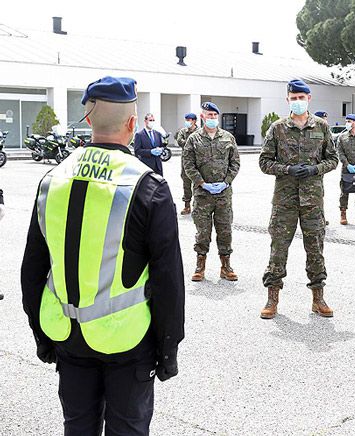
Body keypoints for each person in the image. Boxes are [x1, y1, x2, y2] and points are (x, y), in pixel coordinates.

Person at [20, 76, 185, 435]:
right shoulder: (148, 186)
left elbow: (32, 268)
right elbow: (168, 278)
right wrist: (168, 350)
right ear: (131, 124)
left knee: (77, 426)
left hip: (67, 334)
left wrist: (41, 335)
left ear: (90, 120)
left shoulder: (53, 179)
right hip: (127, 340)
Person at [258, 79, 338, 319]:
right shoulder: (277, 128)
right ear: (288, 100)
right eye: (293, 98)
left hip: (313, 202)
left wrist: (315, 170)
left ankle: (318, 298)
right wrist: (287, 170)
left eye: (301, 98)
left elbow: (333, 159)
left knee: (315, 249)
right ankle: (272, 300)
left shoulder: (322, 127)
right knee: (278, 250)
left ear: (309, 99)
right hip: (285, 202)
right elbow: (264, 162)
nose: (298, 102)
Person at [183, 102, 240, 282]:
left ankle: (226, 266)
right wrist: (201, 183)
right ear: (202, 117)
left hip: (223, 194)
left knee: (225, 230)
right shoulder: (194, 139)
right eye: (209, 115)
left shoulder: (228, 137)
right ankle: (200, 266)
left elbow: (235, 162)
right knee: (202, 231)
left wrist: (226, 182)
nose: (212, 119)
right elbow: (188, 164)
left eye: (215, 116)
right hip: (202, 194)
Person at [175, 112, 198, 215]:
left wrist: (188, 143)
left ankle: (197, 206)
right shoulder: (183, 131)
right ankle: (187, 206)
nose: (187, 122)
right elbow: (180, 141)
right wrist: (191, 143)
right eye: (186, 120)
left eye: (189, 120)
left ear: (194, 121)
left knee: (198, 184)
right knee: (186, 184)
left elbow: (200, 143)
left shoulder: (200, 131)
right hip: (185, 161)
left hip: (198, 161)